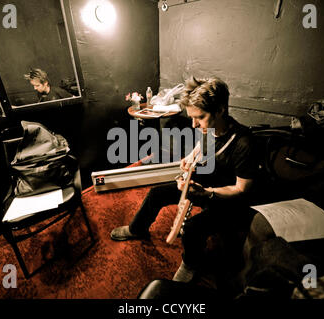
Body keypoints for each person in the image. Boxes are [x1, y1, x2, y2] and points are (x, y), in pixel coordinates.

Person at [110, 76, 260, 283]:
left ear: (220, 110)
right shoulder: (210, 127)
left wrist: (207, 194)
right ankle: (137, 229)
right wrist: (189, 158)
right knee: (156, 193)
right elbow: (203, 145)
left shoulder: (244, 143)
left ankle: (191, 263)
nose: (194, 124)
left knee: (192, 228)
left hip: (228, 201)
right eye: (191, 117)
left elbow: (242, 190)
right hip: (205, 184)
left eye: (199, 117)